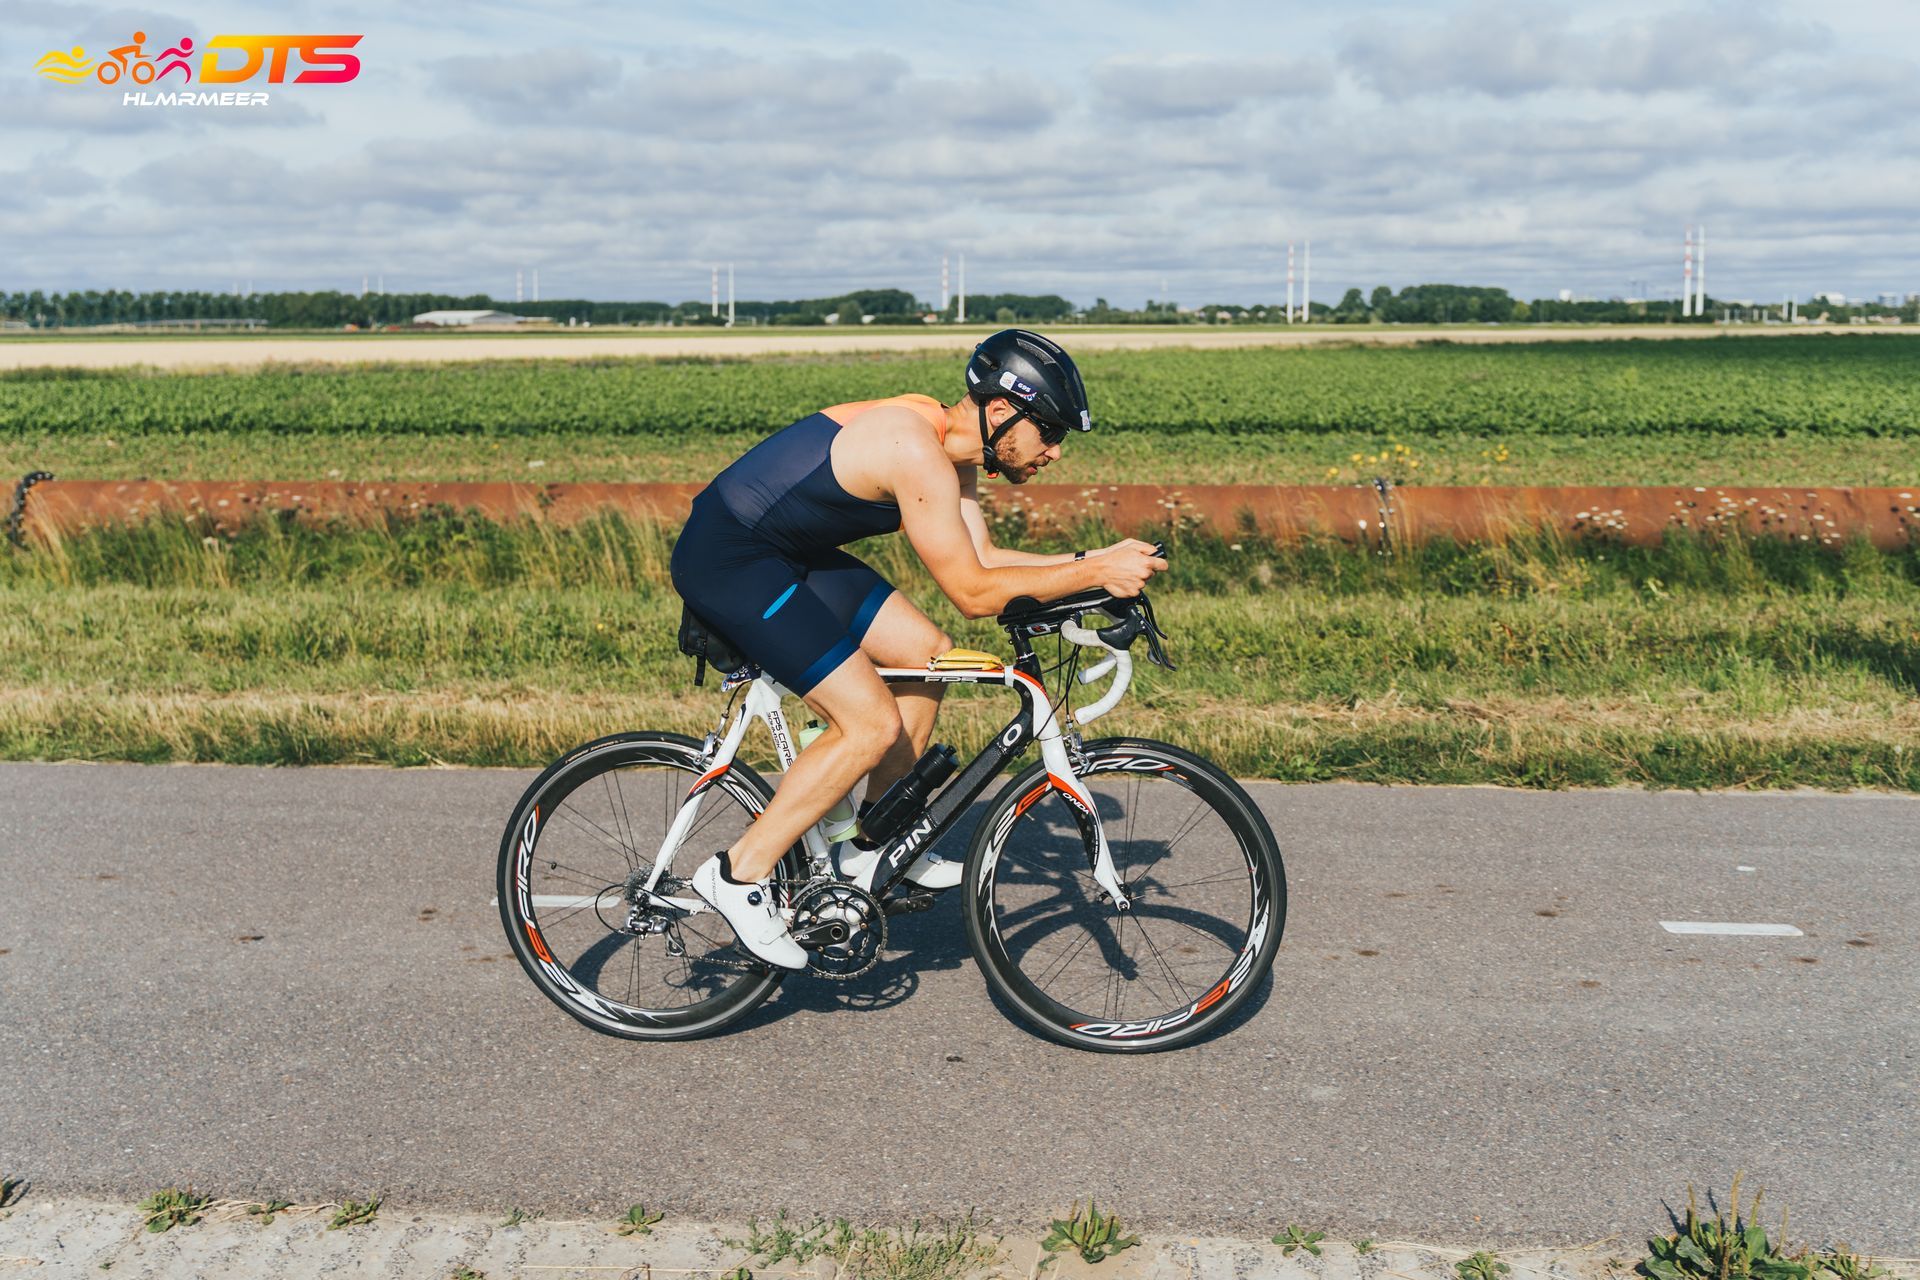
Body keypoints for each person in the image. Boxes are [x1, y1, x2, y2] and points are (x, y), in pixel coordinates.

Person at [672, 328, 1167, 969]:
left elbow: (985, 557)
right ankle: (738, 873)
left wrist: (1094, 563)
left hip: (787, 554)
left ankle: (869, 845)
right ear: (1001, 410)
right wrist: (1094, 571)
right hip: (731, 558)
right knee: (869, 723)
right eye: (1048, 431)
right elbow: (973, 592)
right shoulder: (915, 449)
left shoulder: (952, 452)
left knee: (927, 654)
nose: (1054, 451)